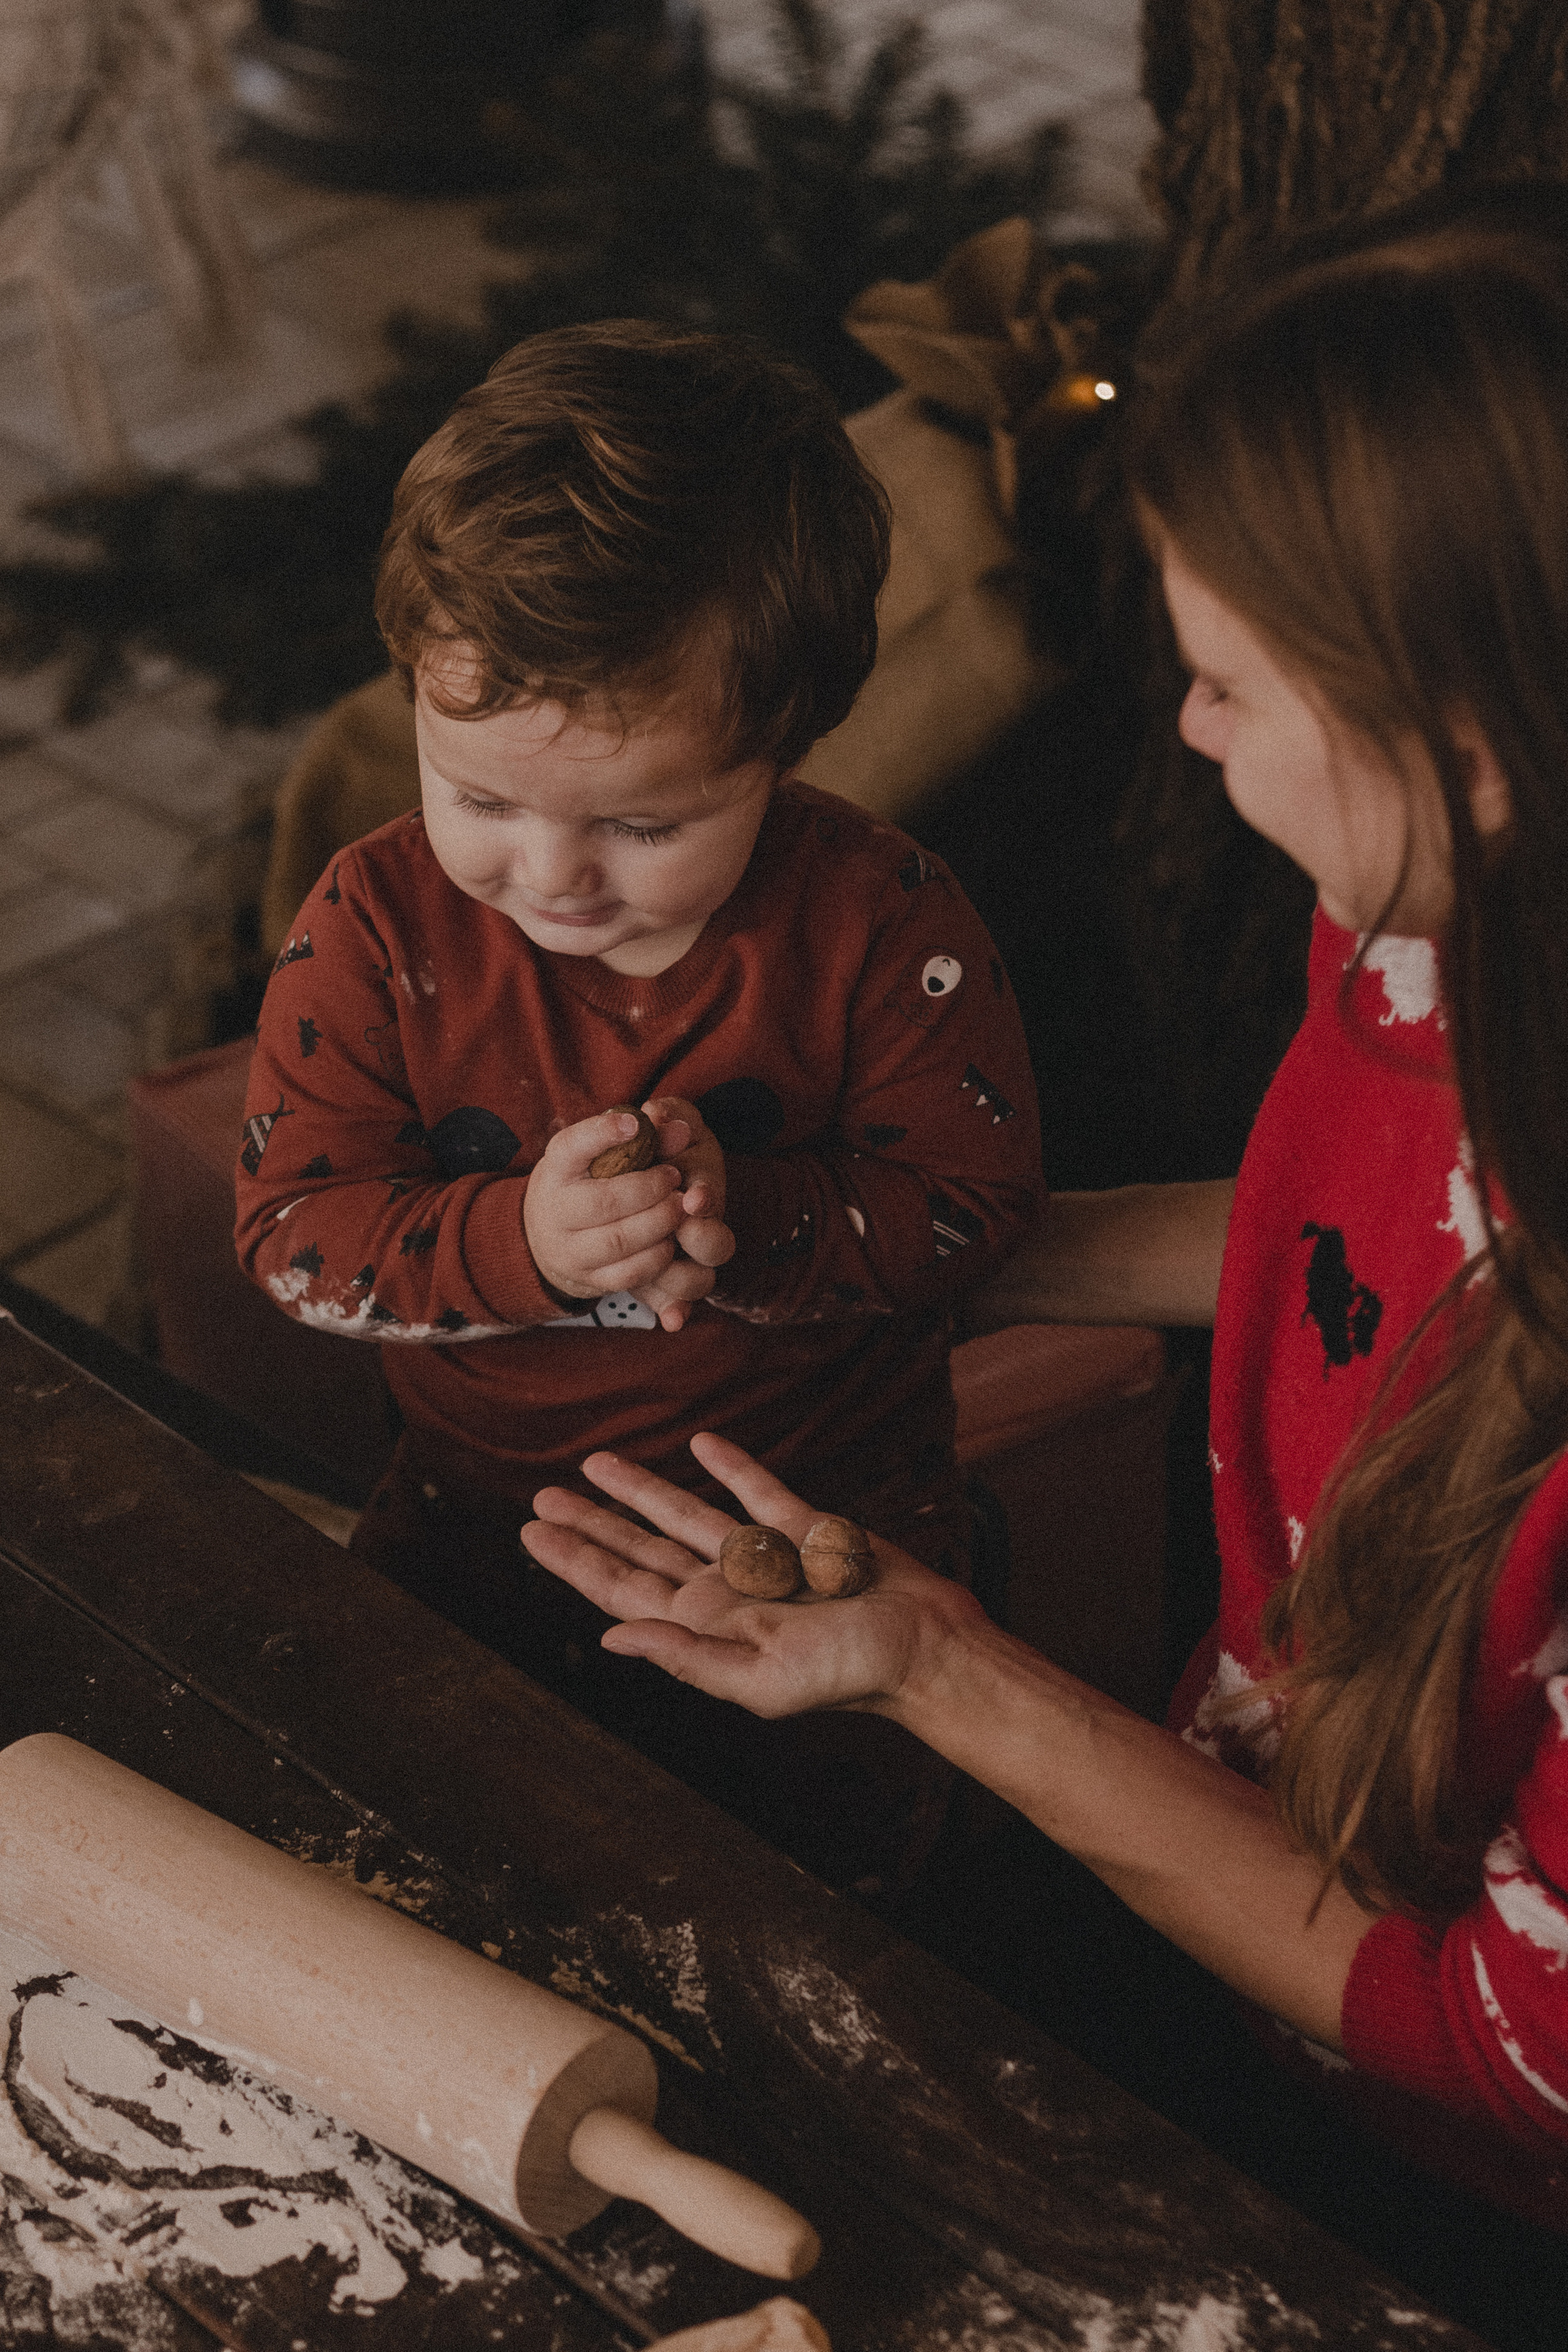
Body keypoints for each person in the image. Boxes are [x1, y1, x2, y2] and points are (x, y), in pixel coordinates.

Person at [521, 188, 1568, 2339]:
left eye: (1226, 682)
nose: (1189, 736)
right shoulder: (1428, 937)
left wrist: (937, 1670)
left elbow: (1498, 2053)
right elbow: (1356, 1260)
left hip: (1455, 2216)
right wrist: (914, 1260)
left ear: (1467, 754)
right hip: (1247, 1857)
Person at [235, 320, 1042, 1888]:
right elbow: (288, 1237)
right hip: (481, 1531)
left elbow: (973, 1205)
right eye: (478, 797)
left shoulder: (881, 922)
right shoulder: (376, 923)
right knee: (442, 1859)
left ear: (788, 742)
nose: (549, 879)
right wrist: (520, 1250)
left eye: (641, 821)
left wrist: (753, 1216)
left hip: (833, 1553)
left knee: (814, 1915)